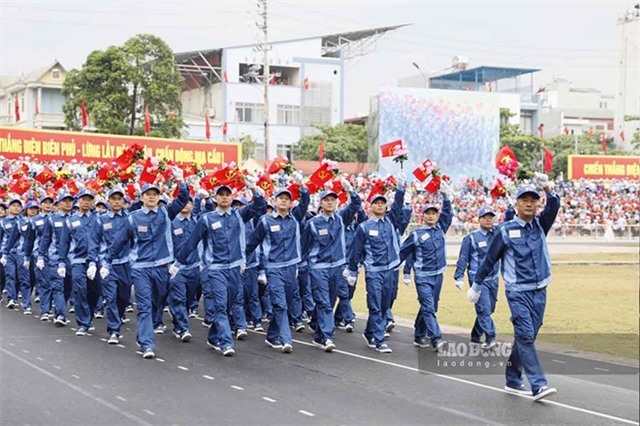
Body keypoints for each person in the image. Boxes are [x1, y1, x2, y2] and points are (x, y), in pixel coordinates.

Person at [469, 175, 560, 401]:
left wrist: (548, 188)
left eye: (533, 199)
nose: (529, 203)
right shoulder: (505, 230)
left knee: (528, 335)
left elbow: (555, 204)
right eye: (524, 200)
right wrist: (476, 285)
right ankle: (538, 384)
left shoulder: (541, 224)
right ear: (516, 204)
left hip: (540, 290)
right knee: (526, 335)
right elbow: (489, 260)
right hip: (517, 291)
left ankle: (512, 377)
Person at [176, 179, 266, 357]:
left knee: (229, 304)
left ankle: (213, 336)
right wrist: (177, 262)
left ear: (232, 198)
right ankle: (226, 342)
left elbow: (260, 205)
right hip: (216, 269)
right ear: (215, 198)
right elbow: (192, 242)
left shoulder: (239, 215)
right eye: (221, 195)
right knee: (220, 306)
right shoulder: (207, 219)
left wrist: (254, 188)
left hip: (235, 269)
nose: (224, 198)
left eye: (227, 195)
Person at [105, 176, 189, 359]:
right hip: (140, 268)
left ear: (159, 197)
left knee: (156, 303)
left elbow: (183, 199)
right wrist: (107, 261)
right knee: (144, 306)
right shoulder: (133, 218)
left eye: (155, 194)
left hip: (162, 267)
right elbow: (119, 242)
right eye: (148, 194)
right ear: (141, 197)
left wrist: (181, 181)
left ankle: (142, 335)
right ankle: (146, 343)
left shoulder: (166, 212)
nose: (151, 197)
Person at [245, 174, 310, 354]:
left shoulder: (295, 217)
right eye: (280, 198)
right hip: (273, 268)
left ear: (290, 203)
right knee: (280, 304)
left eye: (286, 199)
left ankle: (272, 335)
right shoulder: (266, 220)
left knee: (285, 303)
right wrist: (243, 260)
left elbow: (305, 203)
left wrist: (302, 186)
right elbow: (252, 242)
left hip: (291, 267)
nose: (283, 201)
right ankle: (285, 339)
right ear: (274, 201)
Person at [301, 179, 361, 352]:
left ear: (337, 202)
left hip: (337, 267)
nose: (330, 202)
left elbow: (356, 205)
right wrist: (300, 268)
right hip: (318, 268)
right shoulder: (313, 223)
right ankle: (327, 336)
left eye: (333, 200)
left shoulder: (341, 218)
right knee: (324, 302)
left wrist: (350, 190)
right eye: (326, 200)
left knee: (331, 301)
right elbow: (304, 247)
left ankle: (319, 334)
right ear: (321, 203)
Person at [346, 179, 405, 353]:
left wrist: (400, 188)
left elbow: (399, 206)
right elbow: (356, 251)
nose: (380, 206)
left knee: (386, 305)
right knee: (375, 305)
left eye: (382, 203)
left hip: (390, 270)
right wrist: (351, 270)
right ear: (370, 207)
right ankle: (379, 340)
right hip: (373, 271)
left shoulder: (391, 221)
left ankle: (369, 332)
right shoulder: (364, 227)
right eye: (376, 203)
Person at [399, 183, 452, 352]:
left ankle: (418, 333)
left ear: (437, 216)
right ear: (423, 217)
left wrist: (446, 197)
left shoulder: (441, 229)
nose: (431, 216)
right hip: (422, 276)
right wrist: (398, 268)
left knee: (430, 307)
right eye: (427, 213)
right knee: (428, 307)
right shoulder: (416, 234)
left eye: (433, 213)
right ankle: (436, 339)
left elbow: (448, 214)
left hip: (438, 275)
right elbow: (403, 252)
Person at [87, 187, 132, 344]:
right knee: (110, 297)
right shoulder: (101, 219)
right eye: (114, 199)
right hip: (107, 265)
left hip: (126, 263)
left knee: (124, 297)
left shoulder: (130, 218)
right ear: (109, 201)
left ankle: (118, 318)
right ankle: (114, 329)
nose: (117, 201)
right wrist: (92, 262)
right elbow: (93, 241)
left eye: (120, 199)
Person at [453, 206, 500, 349]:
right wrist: (459, 276)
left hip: (494, 278)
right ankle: (490, 338)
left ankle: (475, 334)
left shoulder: (497, 235)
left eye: (490, 217)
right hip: (478, 280)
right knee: (484, 310)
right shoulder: (471, 238)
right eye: (485, 217)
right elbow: (463, 258)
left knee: (489, 309)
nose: (488, 220)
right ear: (479, 219)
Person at [58, 189, 100, 336]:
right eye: (83, 199)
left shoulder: (98, 218)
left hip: (96, 260)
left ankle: (90, 313)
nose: (86, 202)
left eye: (89, 199)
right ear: (78, 201)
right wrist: (62, 262)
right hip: (78, 260)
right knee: (80, 289)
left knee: (95, 291)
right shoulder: (71, 220)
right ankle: (83, 322)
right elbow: (64, 242)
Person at [0, 198, 31, 312]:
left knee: (23, 278)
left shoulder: (24, 221)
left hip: (21, 252)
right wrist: (3, 254)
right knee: (10, 275)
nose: (16, 208)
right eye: (14, 206)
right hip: (8, 253)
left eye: (18, 206)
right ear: (9, 208)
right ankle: (11, 298)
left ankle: (25, 302)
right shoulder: (3, 222)